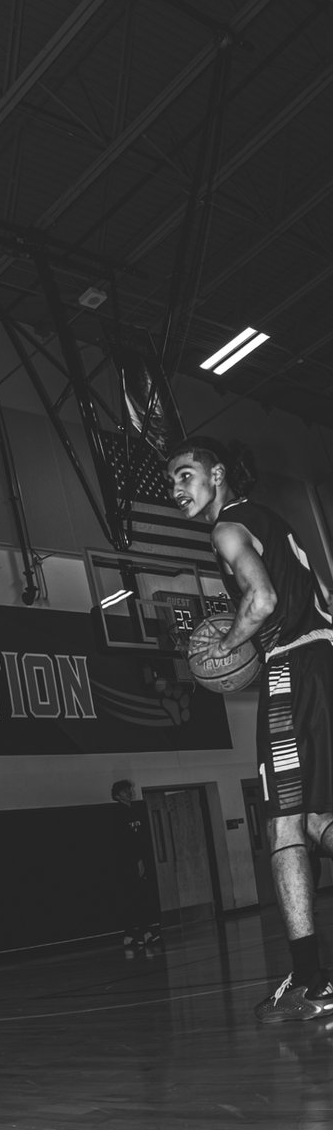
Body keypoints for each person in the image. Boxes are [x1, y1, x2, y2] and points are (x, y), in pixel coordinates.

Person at [166, 437, 333, 1020]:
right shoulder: (272, 520)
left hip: (295, 665)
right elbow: (318, 594)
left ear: (217, 474)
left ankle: (312, 981)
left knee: (283, 824)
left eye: (185, 475)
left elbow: (260, 600)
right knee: (316, 820)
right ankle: (308, 975)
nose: (176, 489)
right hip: (324, 662)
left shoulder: (227, 528)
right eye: (171, 481)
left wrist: (226, 645)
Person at [110, 779, 161, 950]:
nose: (129, 792)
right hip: (127, 863)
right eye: (125, 791)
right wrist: (136, 861)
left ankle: (144, 932)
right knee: (131, 899)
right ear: (117, 795)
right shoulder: (117, 814)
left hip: (139, 860)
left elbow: (140, 839)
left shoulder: (135, 811)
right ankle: (130, 935)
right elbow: (123, 842)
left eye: (129, 790)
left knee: (141, 897)